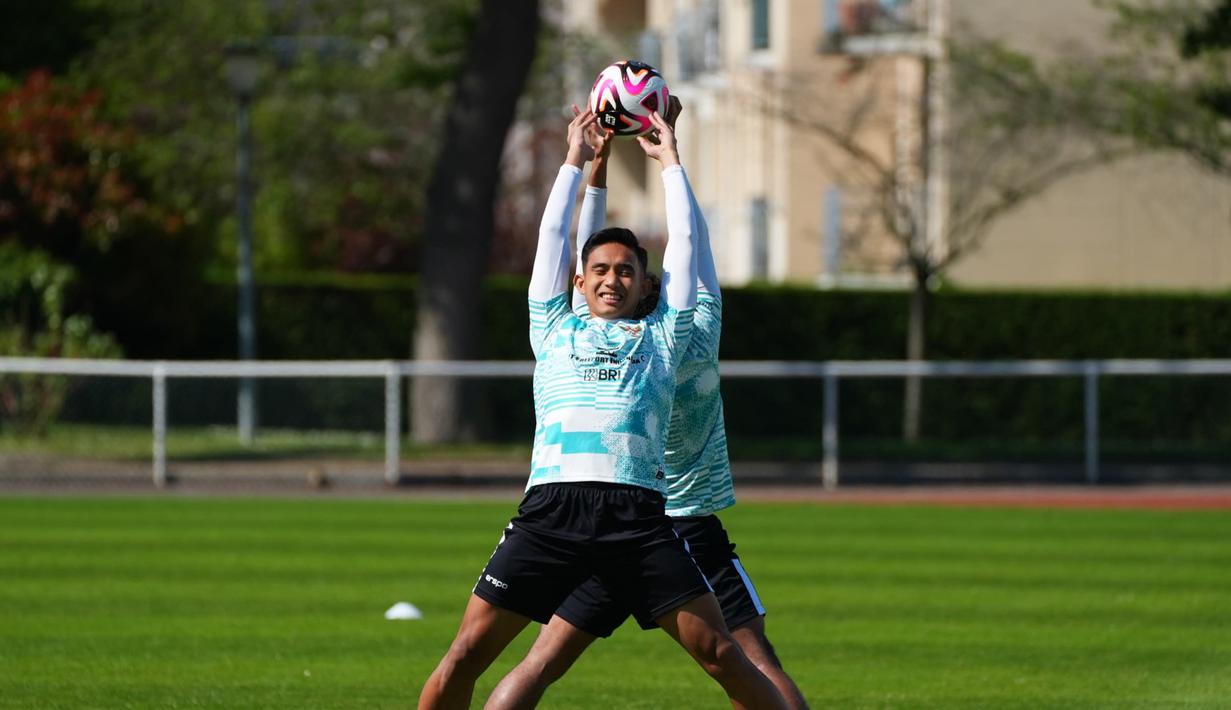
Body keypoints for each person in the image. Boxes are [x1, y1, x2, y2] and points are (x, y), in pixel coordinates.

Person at [417, 107, 787, 710]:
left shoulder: (667, 335)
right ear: (579, 284)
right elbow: (551, 237)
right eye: (599, 270)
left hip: (636, 520)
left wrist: (669, 160)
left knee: (723, 654)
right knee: (464, 655)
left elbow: (689, 242)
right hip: (551, 513)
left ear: (647, 284)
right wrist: (575, 159)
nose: (612, 278)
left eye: (626, 270)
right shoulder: (552, 325)